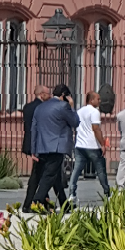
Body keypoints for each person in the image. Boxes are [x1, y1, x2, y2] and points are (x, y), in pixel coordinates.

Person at [24, 84, 80, 212]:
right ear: (64, 96)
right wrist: (71, 106)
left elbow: (34, 128)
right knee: (50, 175)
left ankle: (64, 205)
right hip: (57, 147)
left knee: (57, 178)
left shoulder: (40, 107)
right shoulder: (64, 106)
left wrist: (33, 149)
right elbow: (75, 122)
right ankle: (37, 200)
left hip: (42, 146)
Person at [68, 91, 111, 201]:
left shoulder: (80, 111)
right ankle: (107, 192)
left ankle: (72, 193)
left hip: (80, 144)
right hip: (92, 145)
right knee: (100, 170)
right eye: (98, 99)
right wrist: (102, 144)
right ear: (91, 100)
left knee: (76, 170)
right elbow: (96, 129)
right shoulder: (94, 112)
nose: (100, 101)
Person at [20, 86, 51, 211]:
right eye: (48, 94)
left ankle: (42, 200)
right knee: (39, 175)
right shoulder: (42, 108)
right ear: (42, 94)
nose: (50, 96)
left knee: (40, 173)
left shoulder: (27, 107)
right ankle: (32, 202)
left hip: (29, 143)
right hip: (39, 145)